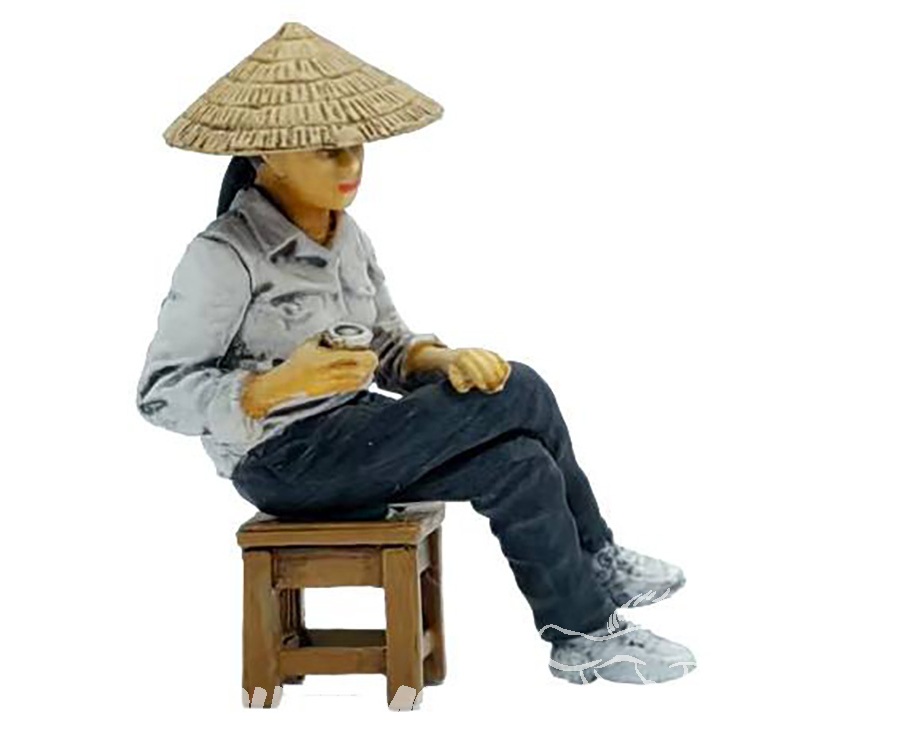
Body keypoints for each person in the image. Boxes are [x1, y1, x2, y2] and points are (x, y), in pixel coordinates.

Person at [137, 21, 695, 685]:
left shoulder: (349, 237)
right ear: (269, 154)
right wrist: (277, 385)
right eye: (326, 151)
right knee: (521, 389)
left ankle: (582, 635)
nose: (349, 166)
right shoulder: (222, 256)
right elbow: (160, 393)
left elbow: (388, 347)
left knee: (519, 463)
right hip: (281, 460)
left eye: (356, 147)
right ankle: (598, 554)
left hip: (357, 433)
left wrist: (443, 362)